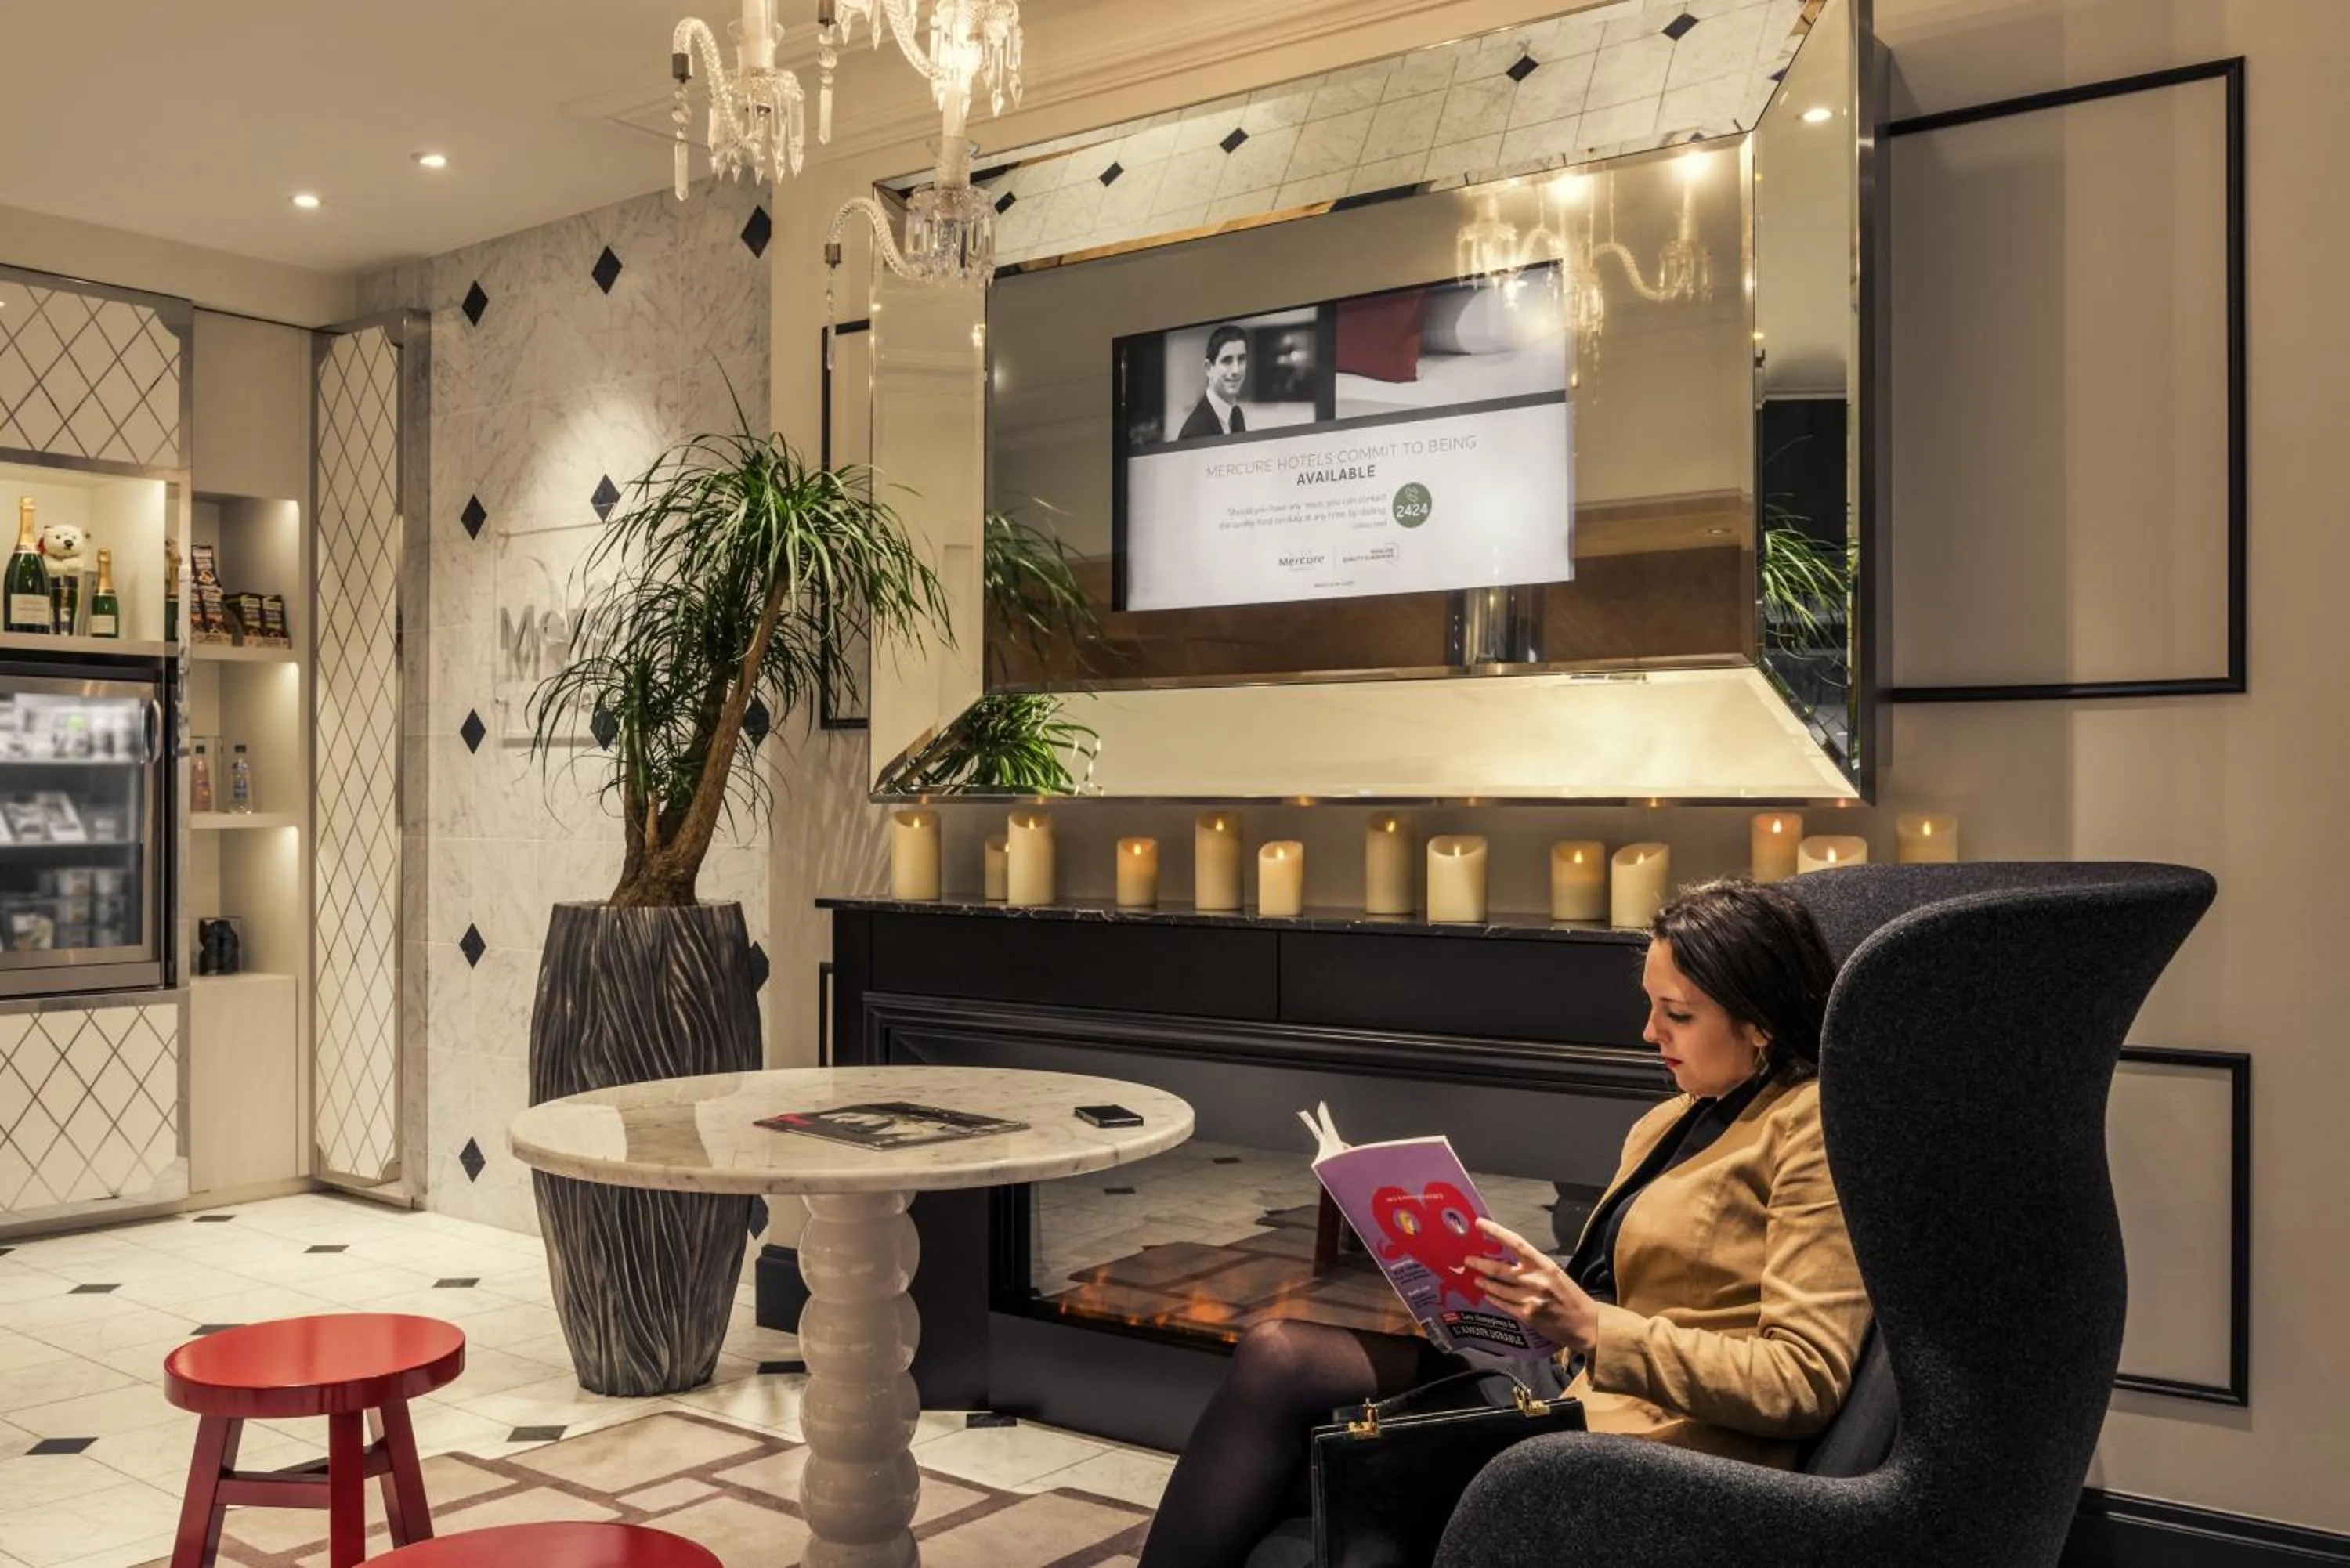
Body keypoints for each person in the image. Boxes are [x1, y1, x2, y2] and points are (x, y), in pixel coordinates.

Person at [1135, 878, 1870, 1568]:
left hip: (1639, 1439)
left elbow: (1802, 1381)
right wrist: (1471, 1295)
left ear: (1761, 1021)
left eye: (1677, 1014)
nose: (1650, 1032)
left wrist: (1590, 1328)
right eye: (1651, 1006)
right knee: (1280, 1357)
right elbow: (1616, 1277)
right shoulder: (1673, 1118)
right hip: (1554, 1378)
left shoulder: (1813, 1132)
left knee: (1311, 1468)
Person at [1177, 324, 1250, 439]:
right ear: (1209, 368)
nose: (1236, 370)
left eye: (1241, 359)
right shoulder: (1194, 433)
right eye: (1227, 361)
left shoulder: (1236, 414)